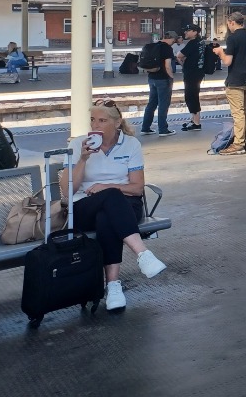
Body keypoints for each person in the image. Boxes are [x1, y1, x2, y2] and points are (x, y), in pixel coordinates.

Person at [62, 99, 167, 311]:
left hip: (125, 205)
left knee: (107, 215)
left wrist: (106, 187)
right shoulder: (77, 145)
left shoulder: (131, 144)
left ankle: (113, 285)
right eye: (93, 120)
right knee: (109, 199)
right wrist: (82, 159)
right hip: (83, 205)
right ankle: (142, 254)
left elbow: (137, 188)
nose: (95, 126)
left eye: (102, 120)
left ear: (117, 123)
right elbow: (67, 191)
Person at [213, 12, 246, 155]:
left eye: (228, 23)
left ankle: (238, 144)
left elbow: (227, 62)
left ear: (232, 22)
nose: (228, 26)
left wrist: (220, 52)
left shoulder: (232, 39)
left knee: (237, 114)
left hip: (235, 81)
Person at [140, 31, 176, 136]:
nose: (173, 43)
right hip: (163, 79)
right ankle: (163, 130)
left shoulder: (151, 45)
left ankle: (145, 128)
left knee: (151, 104)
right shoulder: (167, 48)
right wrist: (171, 77)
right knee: (163, 105)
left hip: (152, 77)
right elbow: (168, 65)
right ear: (172, 39)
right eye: (173, 40)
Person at [177, 24, 205, 131]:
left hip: (191, 73)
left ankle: (196, 123)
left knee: (190, 96)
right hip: (199, 72)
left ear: (195, 32)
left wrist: (183, 65)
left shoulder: (192, 43)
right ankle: (194, 119)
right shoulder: (201, 42)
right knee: (193, 95)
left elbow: (179, 55)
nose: (185, 33)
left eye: (188, 31)